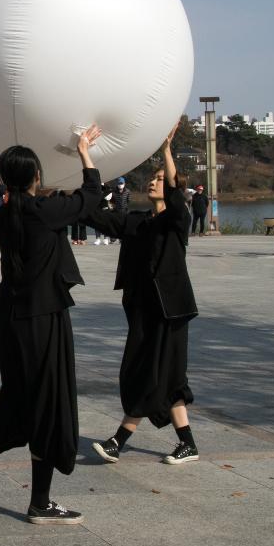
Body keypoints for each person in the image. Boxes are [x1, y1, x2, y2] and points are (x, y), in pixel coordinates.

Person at [0, 125, 104, 525]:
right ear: (36, 176)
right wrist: (84, 152)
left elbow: (48, 203)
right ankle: (39, 502)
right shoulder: (41, 213)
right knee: (46, 401)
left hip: (11, 316)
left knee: (18, 397)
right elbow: (91, 197)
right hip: (42, 318)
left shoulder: (7, 212)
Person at [89, 122, 200, 466]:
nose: (153, 182)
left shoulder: (176, 222)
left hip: (170, 311)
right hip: (142, 310)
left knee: (150, 374)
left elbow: (177, 202)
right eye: (151, 180)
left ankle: (118, 441)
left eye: (159, 180)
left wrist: (166, 152)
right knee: (167, 377)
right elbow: (98, 218)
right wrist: (82, 167)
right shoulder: (138, 222)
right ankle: (188, 445)